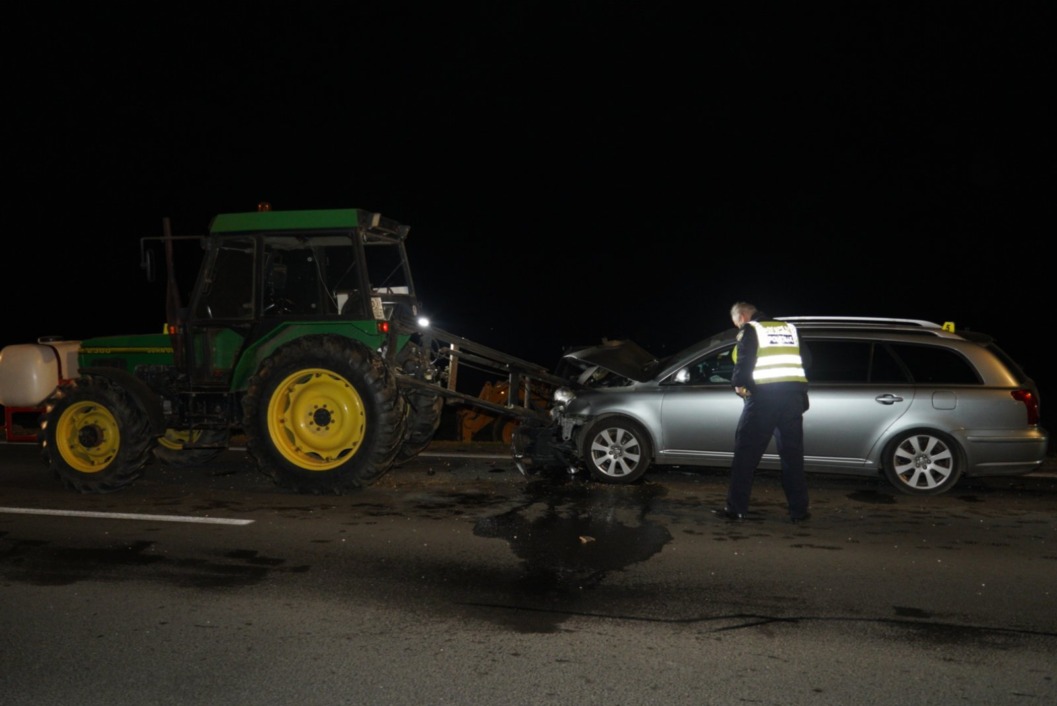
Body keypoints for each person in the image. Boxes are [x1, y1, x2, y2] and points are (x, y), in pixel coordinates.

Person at [715, 302, 811, 523]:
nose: (739, 326)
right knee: (792, 457)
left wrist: (739, 384)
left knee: (745, 456)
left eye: (737, 323)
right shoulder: (790, 328)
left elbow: (744, 361)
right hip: (793, 399)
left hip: (763, 400)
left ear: (743, 317)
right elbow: (807, 361)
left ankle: (736, 508)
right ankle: (799, 511)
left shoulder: (751, 329)